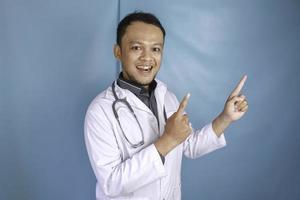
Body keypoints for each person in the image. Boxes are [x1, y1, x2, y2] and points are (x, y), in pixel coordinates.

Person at [84, 11, 248, 200]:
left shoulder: (167, 97)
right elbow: (111, 184)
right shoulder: (100, 111)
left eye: (155, 49)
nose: (147, 58)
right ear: (118, 51)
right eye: (136, 48)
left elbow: (190, 146)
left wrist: (225, 118)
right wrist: (167, 140)